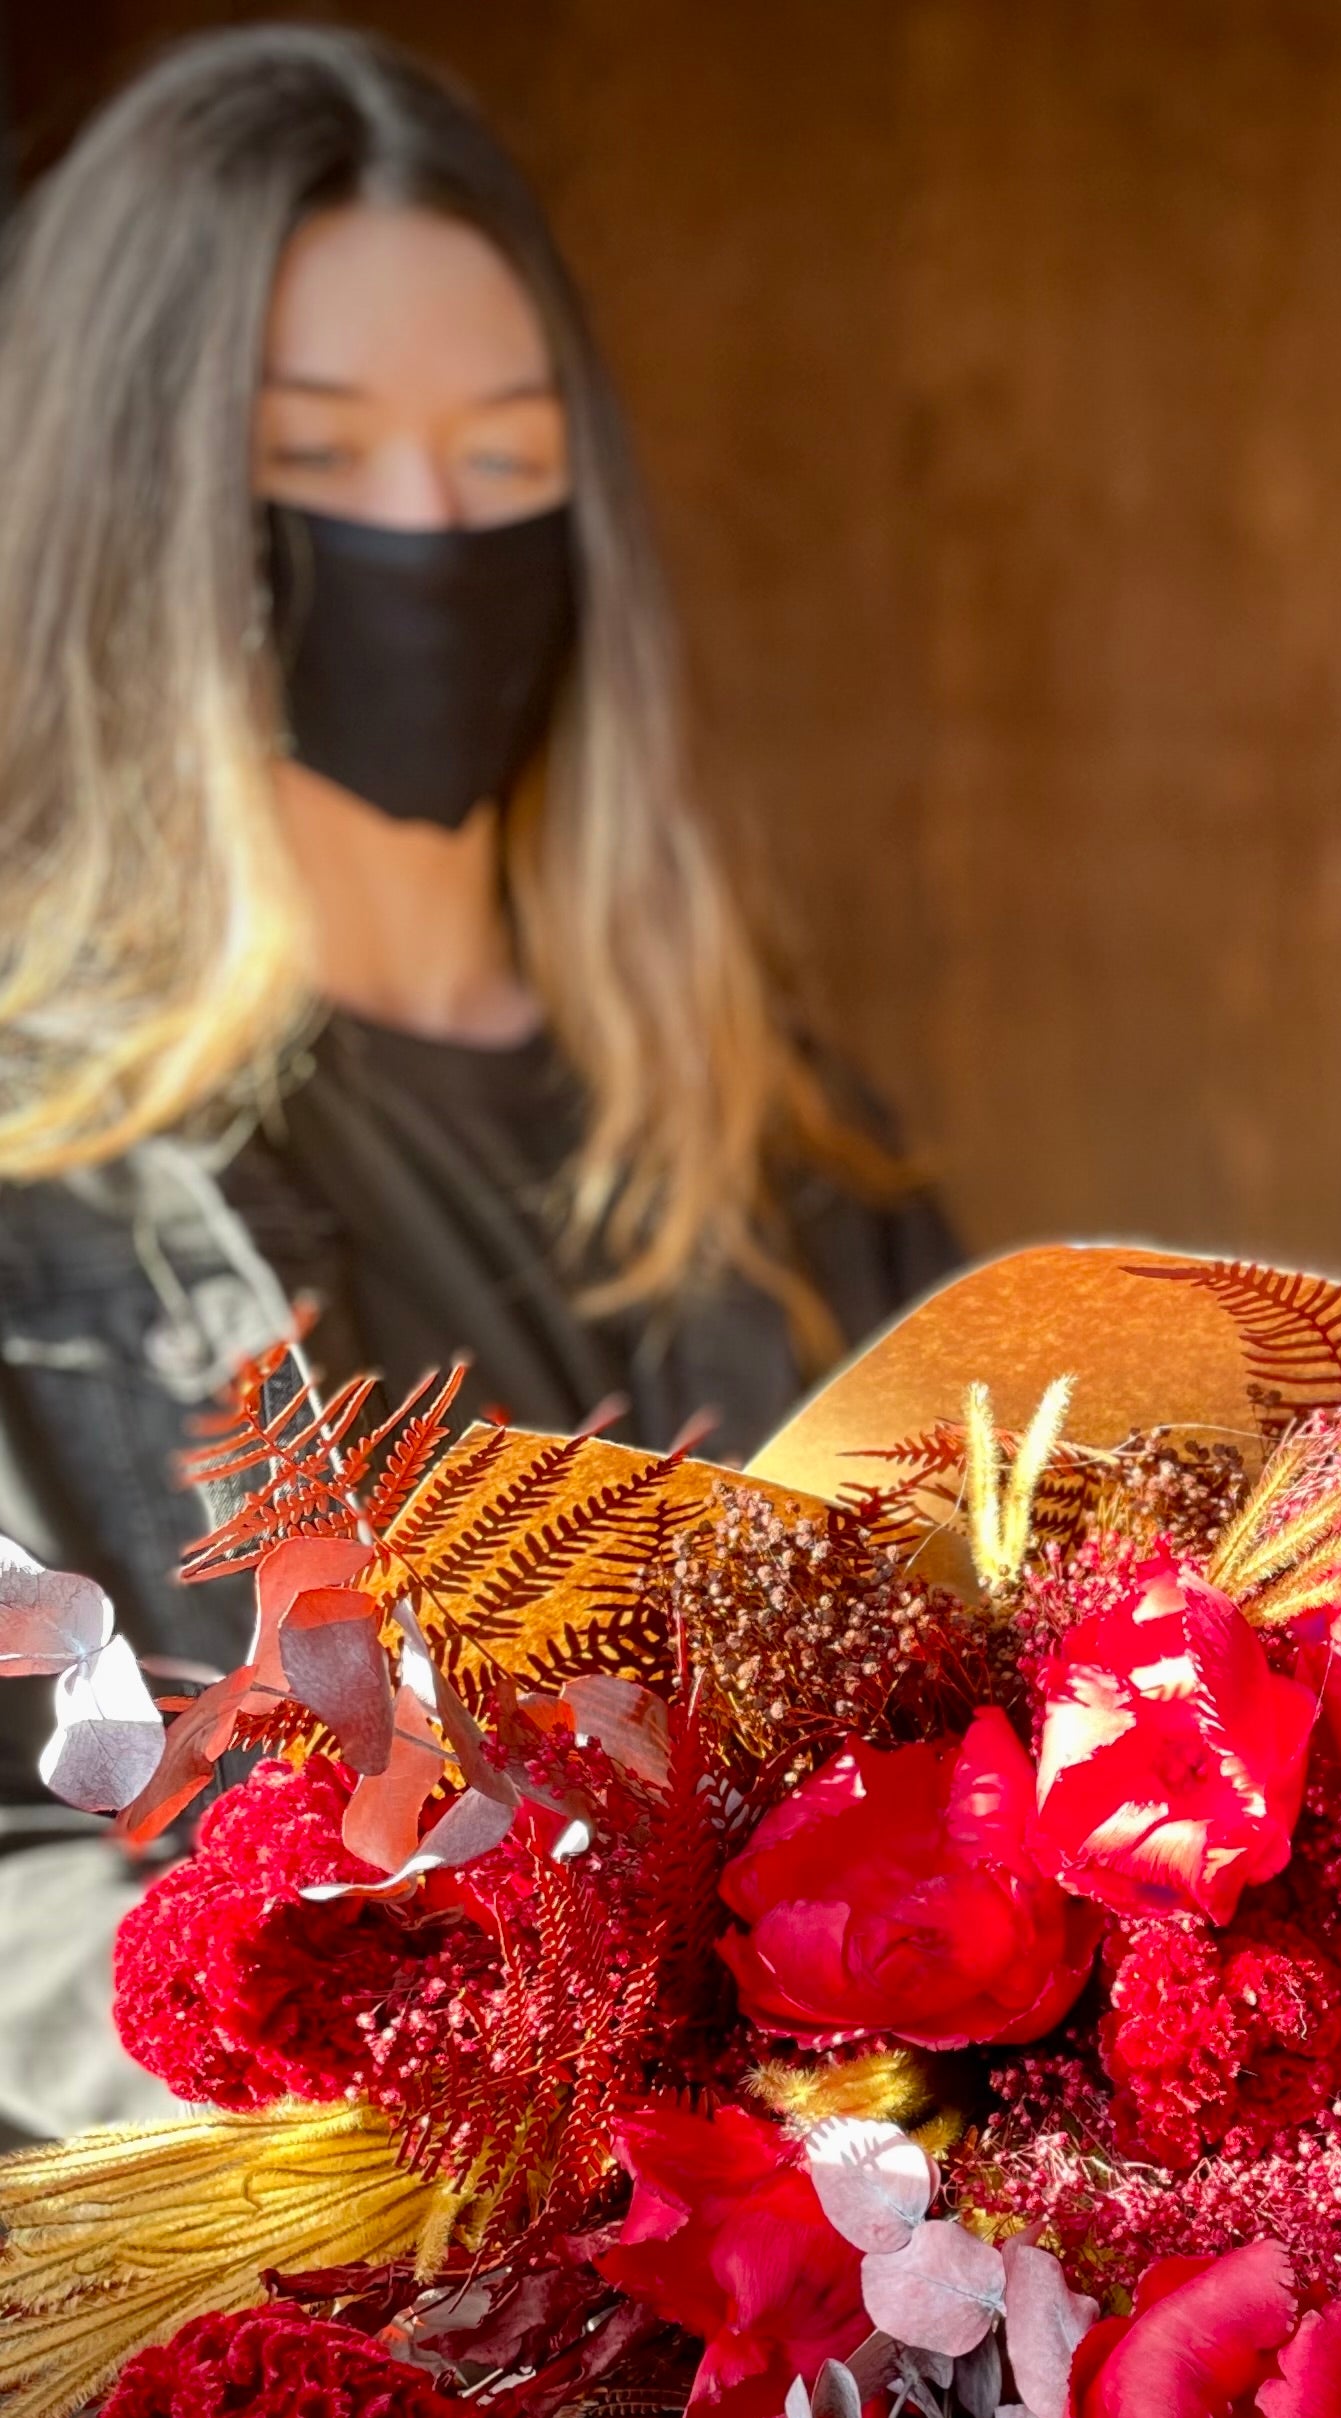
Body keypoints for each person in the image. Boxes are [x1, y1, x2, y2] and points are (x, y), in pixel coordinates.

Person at [0, 27, 954, 2128]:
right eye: (323, 463)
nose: (428, 535)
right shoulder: (41, 1212)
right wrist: (434, 2082)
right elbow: (26, 1917)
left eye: (504, 463)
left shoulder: (783, 1154)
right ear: (134, 518)